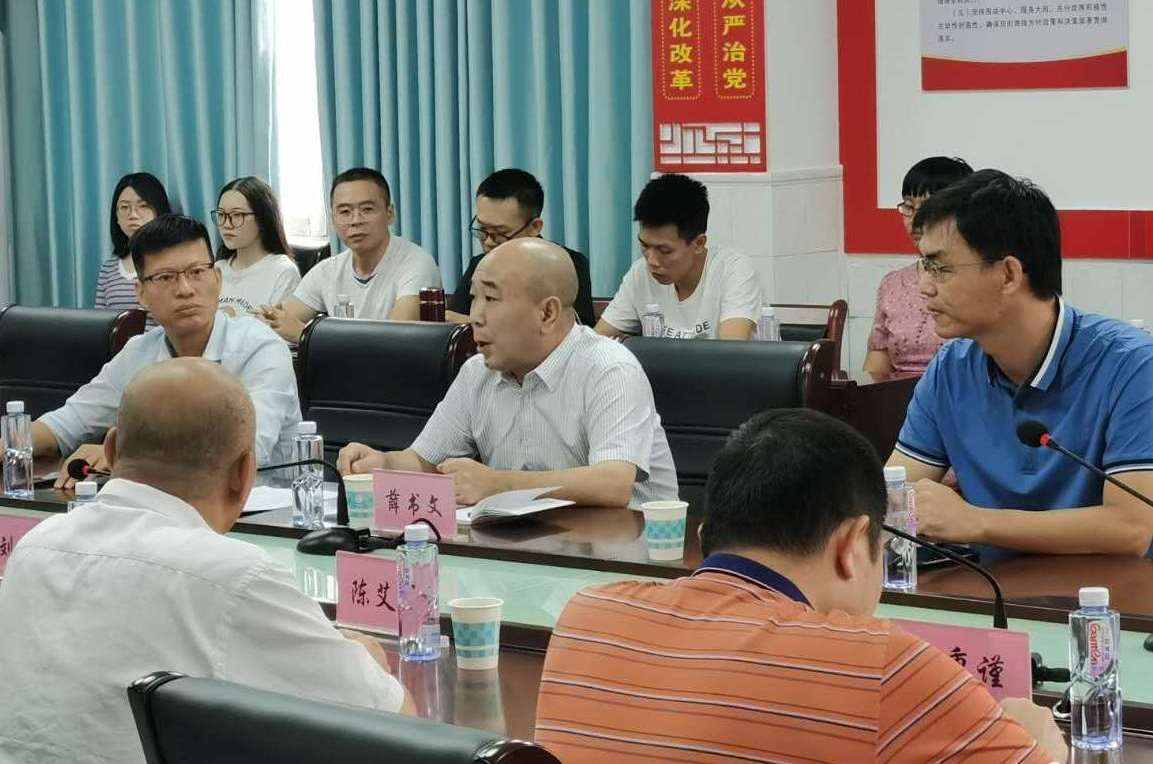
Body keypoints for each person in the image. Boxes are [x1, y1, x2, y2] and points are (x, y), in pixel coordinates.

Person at [535, 409, 1066, 763]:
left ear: (704, 535)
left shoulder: (586, 618)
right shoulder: (878, 662)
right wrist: (1036, 737)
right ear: (852, 544)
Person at [0, 359, 410, 764]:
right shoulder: (235, 578)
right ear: (244, 472)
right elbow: (398, 728)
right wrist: (367, 662)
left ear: (110, 447)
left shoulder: (35, 547)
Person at [887, 169, 1153, 562]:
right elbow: (893, 493)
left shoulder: (1132, 365)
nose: (924, 286)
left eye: (940, 268)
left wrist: (976, 522)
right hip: (994, 591)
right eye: (924, 266)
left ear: (1009, 274)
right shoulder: (951, 369)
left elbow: (1131, 527)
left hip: (1113, 597)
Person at [338, 238, 678, 509]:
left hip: (626, 556)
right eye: (474, 298)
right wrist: (381, 463)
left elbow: (613, 483)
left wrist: (499, 484)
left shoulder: (609, 368)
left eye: (491, 298)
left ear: (547, 313)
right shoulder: (477, 372)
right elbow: (423, 462)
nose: (475, 317)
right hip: (529, 547)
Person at [32, 215, 301, 486]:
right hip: (160, 501)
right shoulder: (139, 352)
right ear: (141, 293)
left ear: (218, 278)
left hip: (260, 506)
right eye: (165, 277)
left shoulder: (261, 348)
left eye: (197, 272)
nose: (185, 289)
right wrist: (15, 444)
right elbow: (68, 422)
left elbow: (246, 449)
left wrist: (122, 456)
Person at [262, 168, 440, 342]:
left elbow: (394, 340)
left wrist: (305, 335)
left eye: (367, 209)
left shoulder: (416, 264)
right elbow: (280, 320)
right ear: (333, 219)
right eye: (345, 212)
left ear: (390, 213)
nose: (355, 221)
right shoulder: (327, 270)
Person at [596, 173, 762, 340]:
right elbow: (595, 343)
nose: (652, 261)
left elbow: (732, 350)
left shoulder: (734, 271)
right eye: (645, 246)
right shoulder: (640, 273)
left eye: (665, 250)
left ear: (698, 244)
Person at [446, 168, 596, 327]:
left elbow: (575, 331)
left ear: (535, 227)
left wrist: (477, 322)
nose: (488, 242)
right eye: (482, 229)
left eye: (500, 233)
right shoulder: (480, 264)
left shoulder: (567, 264)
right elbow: (451, 320)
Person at [865, 156, 973, 376]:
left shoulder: (978, 279)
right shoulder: (892, 283)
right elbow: (876, 365)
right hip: (897, 396)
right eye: (908, 207)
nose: (915, 220)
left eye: (927, 208)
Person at [213, 176, 301, 317]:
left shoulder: (283, 271)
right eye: (221, 215)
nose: (226, 224)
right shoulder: (217, 269)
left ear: (262, 219)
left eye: (237, 215)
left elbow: (278, 328)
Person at [95, 172, 173, 320]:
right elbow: (99, 323)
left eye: (143, 206)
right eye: (124, 207)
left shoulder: (174, 263)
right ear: (116, 217)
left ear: (159, 212)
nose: (132, 215)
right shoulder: (108, 269)